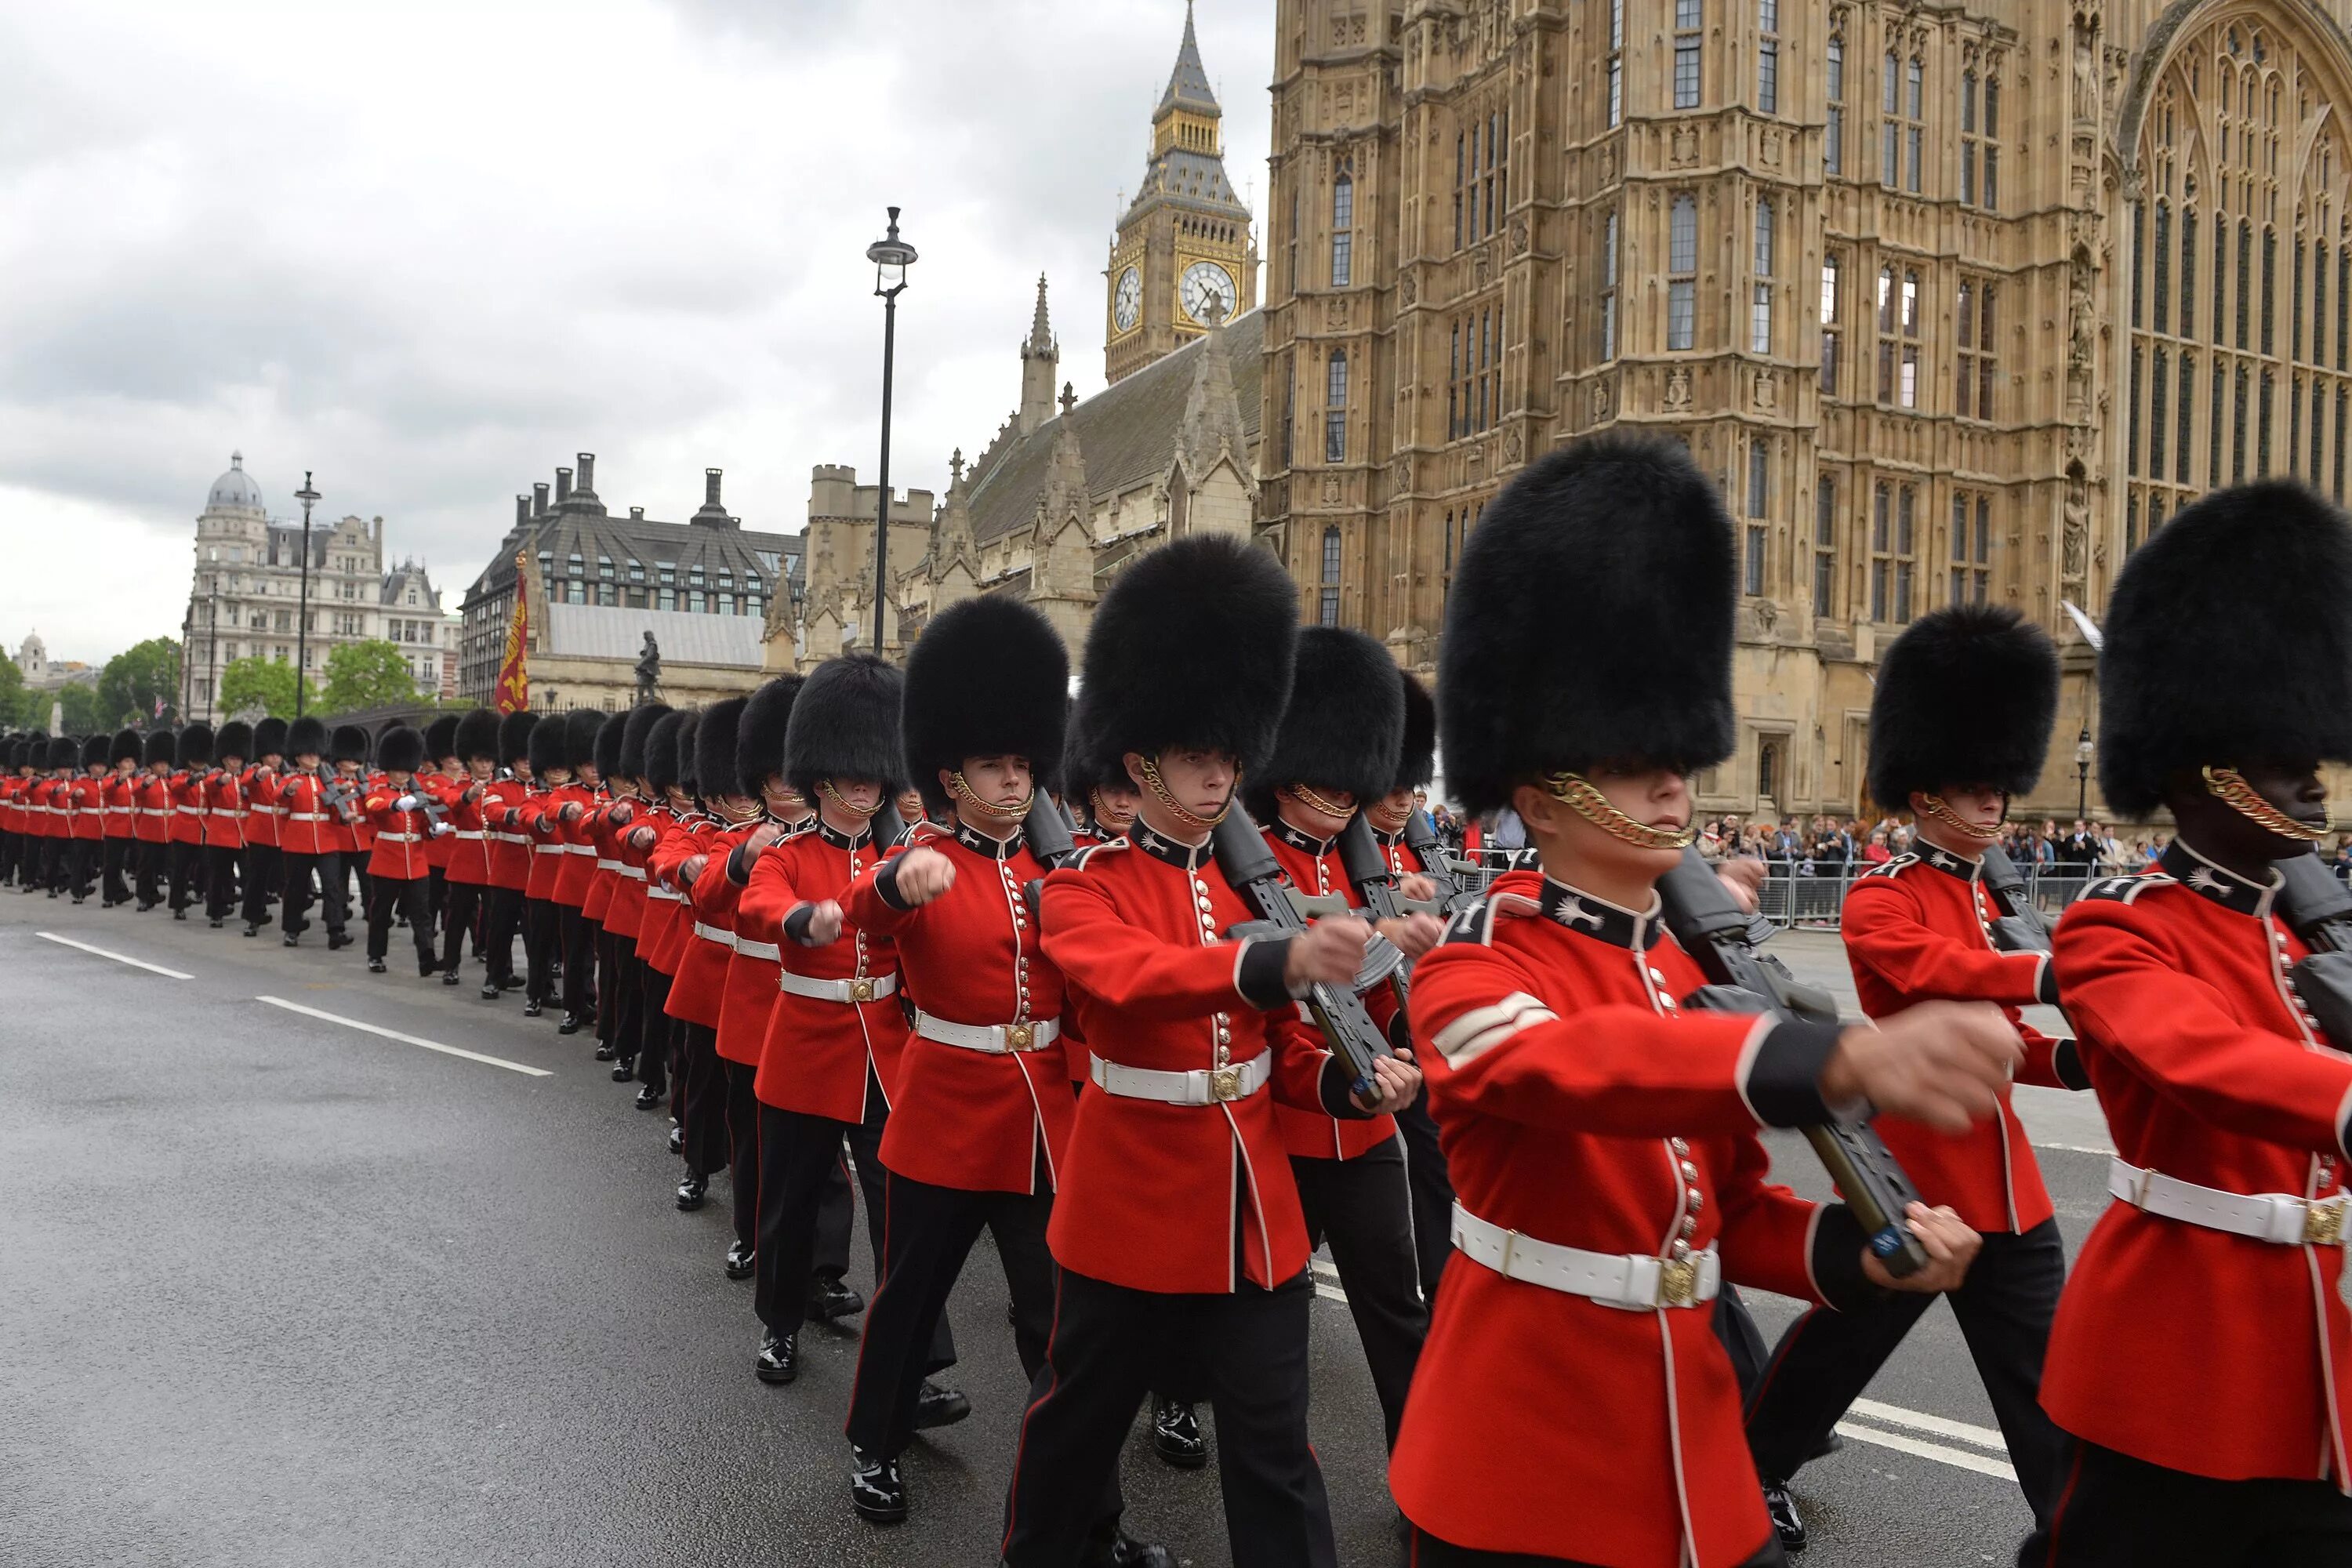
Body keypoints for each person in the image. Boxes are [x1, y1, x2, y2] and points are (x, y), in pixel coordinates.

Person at [1394, 430, 2013, 1567]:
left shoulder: (1680, 974)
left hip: (1687, 1444)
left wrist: (1858, 1254)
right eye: (1634, 761)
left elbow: (1724, 1212)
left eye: (1675, 751)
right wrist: (1826, 1062)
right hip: (1521, 1457)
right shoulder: (1474, 967)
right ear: (1544, 795)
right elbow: (1569, 1070)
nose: (1674, 779)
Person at [1002, 535, 1421, 1568]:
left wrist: (1351, 1076)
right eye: (1199, 755)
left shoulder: (1249, 889)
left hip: (1254, 1215)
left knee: (1277, 1451)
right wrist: (1276, 962)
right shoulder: (1079, 886)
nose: (1221, 772)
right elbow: (1130, 982)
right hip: (1128, 1209)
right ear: (1141, 760)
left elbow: (1282, 1046)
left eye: (1232, 755)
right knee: (1075, 1432)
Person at [2018, 481, 2352, 1565]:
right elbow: (2200, 1061)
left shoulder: (2314, 932)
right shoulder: (2118, 928)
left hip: (2324, 1363)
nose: (2312, 777)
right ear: (2206, 771)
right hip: (2176, 1359)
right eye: (2279, 756)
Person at [1744, 604, 2089, 1548]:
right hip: (1914, 1173)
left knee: (2043, 1373)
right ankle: (1753, 1467)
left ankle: (2071, 1530)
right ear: (1925, 795)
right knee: (1838, 1345)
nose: (1995, 806)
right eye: (1976, 789)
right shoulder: (1880, 896)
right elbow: (1936, 977)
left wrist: (2079, 1057)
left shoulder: (1991, 896)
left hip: (2007, 1187)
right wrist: (2052, 968)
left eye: (2000, 790)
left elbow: (2004, 1037)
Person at [839, 597, 1140, 1545]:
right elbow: (865, 915)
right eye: (993, 766)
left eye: (1023, 764)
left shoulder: (1061, 871)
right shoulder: (920, 859)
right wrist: (894, 882)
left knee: (1059, 1322)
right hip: (944, 1109)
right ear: (950, 774)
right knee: (911, 1295)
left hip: (1043, 1119)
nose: (1014, 780)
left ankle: (1089, 1514)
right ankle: (875, 1440)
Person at [733, 659, 953, 1389]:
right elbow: (759, 907)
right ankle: (780, 1325)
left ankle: (916, 1360)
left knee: (902, 1212)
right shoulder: (791, 856)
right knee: (791, 1203)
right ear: (821, 776)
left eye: (874, 775)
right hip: (805, 1046)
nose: (865, 787)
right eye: (851, 775)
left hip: (886, 1050)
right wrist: (805, 919)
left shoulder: (903, 858)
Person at [1247, 624, 1435, 1452]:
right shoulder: (1240, 866)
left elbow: (1384, 1005)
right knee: (1258, 1299)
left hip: (1360, 1124)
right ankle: (1179, 1392)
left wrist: (1412, 965)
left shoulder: (1363, 868)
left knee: (1395, 1304)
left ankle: (1427, 1468)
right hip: (1280, 1121)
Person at [360, 725, 441, 976]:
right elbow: (374, 806)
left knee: (422, 914)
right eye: (398, 770)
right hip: (387, 859)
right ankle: (376, 955)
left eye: (407, 770)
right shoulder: (379, 789)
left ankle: (426, 958)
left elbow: (423, 826)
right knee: (381, 912)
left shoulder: (416, 793)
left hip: (415, 860)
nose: (403, 775)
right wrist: (395, 804)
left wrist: (434, 830)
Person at [550, 708, 606, 1034]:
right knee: (575, 952)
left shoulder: (614, 796)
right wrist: (565, 810)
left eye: (597, 763)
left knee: (605, 956)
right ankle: (574, 1006)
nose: (594, 770)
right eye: (588, 765)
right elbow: (551, 808)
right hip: (573, 882)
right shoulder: (566, 793)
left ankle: (599, 1006)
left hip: (603, 882)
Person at [436, 710, 502, 985]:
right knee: (457, 918)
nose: (485, 766)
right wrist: (469, 794)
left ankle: (499, 969)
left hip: (494, 860)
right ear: (469, 761)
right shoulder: (458, 787)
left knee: (497, 920)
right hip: (466, 860)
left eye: (489, 760)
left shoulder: (500, 786)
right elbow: (452, 803)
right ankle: (451, 965)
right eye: (480, 760)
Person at [518, 714, 572, 1017]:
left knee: (573, 948)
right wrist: (548, 818)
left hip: (576, 881)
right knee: (541, 943)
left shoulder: (587, 797)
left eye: (563, 767)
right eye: (554, 768)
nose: (560, 773)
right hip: (545, 879)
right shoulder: (536, 799)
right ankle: (536, 992)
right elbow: (531, 820)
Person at [240, 717, 287, 937]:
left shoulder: (285, 776)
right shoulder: (256, 771)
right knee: (257, 877)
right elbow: (247, 781)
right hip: (261, 831)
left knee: (287, 877)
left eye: (278, 754)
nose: (275, 757)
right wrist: (260, 775)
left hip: (283, 833)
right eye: (271, 754)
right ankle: (252, 917)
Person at [202, 722, 251, 927]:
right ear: (224, 759)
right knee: (219, 876)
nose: (236, 762)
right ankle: (216, 911)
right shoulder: (215, 776)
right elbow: (210, 786)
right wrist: (222, 781)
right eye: (232, 759)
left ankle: (252, 912)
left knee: (248, 875)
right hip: (221, 832)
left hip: (243, 832)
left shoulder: (246, 778)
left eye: (238, 758)